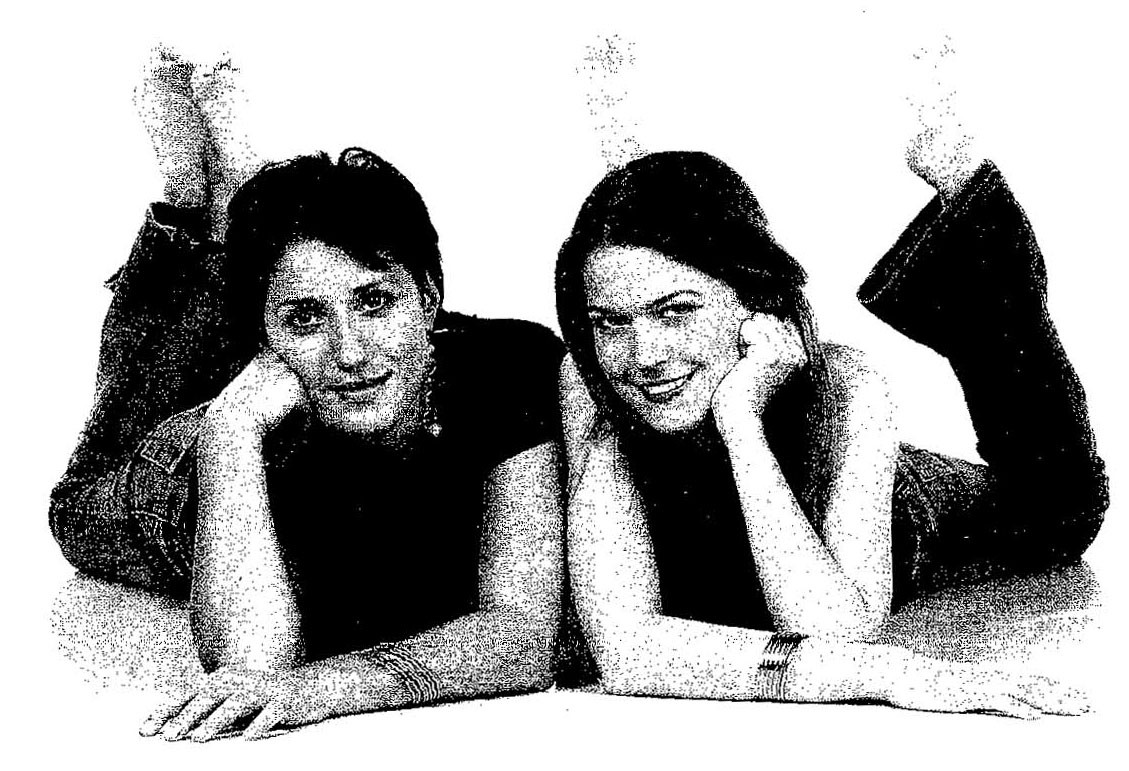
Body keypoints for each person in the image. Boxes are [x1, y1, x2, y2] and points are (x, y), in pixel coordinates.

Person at [50, 50, 565, 740]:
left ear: (429, 297)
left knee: (281, 285)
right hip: (178, 472)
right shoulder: (256, 440)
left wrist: (324, 689)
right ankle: (187, 196)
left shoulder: (510, 365)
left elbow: (521, 635)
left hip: (286, 389)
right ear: (263, 343)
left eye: (375, 302)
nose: (351, 351)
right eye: (304, 319)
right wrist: (230, 430)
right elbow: (251, 670)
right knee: (74, 505)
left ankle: (231, 203)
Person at [553, 136, 1107, 715]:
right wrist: (888, 675)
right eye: (609, 322)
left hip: (904, 509)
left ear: (753, 298)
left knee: (1061, 505)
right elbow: (626, 650)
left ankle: (990, 270)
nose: (643, 354)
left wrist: (741, 423)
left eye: (676, 311)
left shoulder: (846, 388)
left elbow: (837, 631)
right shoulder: (590, 384)